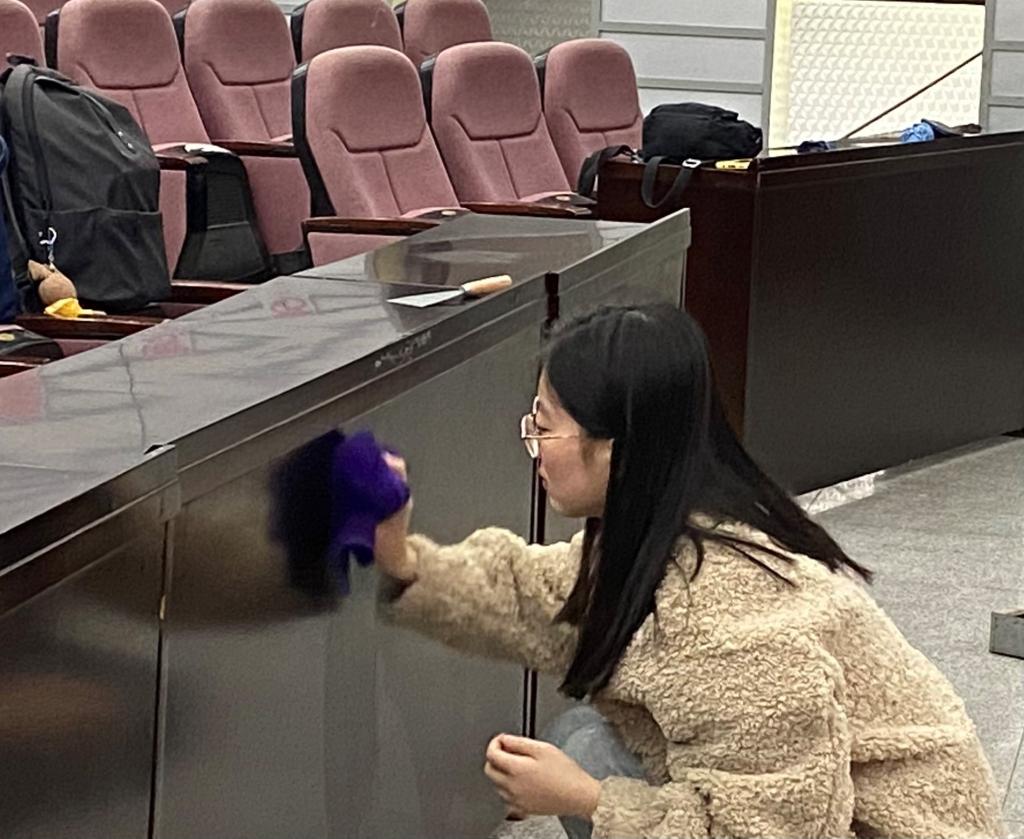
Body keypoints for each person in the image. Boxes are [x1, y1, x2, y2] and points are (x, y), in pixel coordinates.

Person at [373, 303, 1006, 839]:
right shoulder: (676, 528)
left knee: (586, 753)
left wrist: (590, 801)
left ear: (616, 447)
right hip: (829, 805)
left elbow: (772, 832)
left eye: (544, 427)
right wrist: (401, 557)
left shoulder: (725, 628)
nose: (533, 448)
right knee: (586, 735)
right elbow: (535, 596)